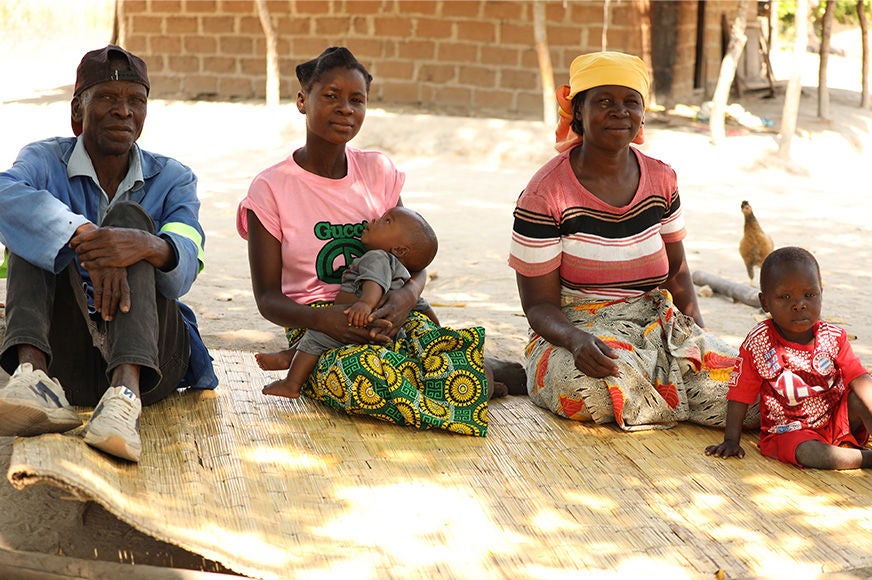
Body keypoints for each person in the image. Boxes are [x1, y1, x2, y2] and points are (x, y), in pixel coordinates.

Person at [237, 47, 523, 438]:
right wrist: (324, 320)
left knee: (419, 348)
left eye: (357, 100)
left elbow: (413, 253)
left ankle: (464, 373)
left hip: (391, 306)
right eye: (331, 96)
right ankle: (476, 376)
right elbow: (268, 299)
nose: (345, 109)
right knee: (364, 378)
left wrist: (406, 297)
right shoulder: (270, 188)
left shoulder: (377, 170)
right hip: (314, 324)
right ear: (302, 101)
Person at [509, 51, 757, 431]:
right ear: (578, 112)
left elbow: (677, 273)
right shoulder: (545, 195)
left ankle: (665, 393)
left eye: (630, 102)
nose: (619, 112)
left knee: (752, 394)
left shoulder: (661, 180)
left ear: (642, 114)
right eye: (603, 101)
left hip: (657, 326)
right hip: (578, 330)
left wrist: (699, 341)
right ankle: (672, 394)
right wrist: (575, 341)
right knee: (587, 392)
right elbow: (538, 305)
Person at [0, 45, 217, 462]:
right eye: (108, 99)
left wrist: (145, 244)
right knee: (32, 220)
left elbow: (185, 264)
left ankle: (123, 399)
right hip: (65, 358)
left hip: (155, 361)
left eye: (136, 101)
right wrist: (80, 233)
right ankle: (33, 380)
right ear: (77, 112)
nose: (124, 112)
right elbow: (5, 195)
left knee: (130, 218)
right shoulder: (43, 160)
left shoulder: (173, 178)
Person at [706, 247, 872, 469]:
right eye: (785, 297)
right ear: (765, 303)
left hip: (836, 418)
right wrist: (731, 440)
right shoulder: (759, 342)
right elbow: (740, 393)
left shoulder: (833, 337)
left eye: (809, 295)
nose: (799, 305)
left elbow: (859, 379)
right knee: (807, 453)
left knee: (862, 395)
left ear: (821, 293)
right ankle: (866, 459)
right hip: (789, 431)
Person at [258, 205, 440, 399]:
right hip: (386, 331)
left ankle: (291, 383)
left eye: (387, 221)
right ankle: (290, 355)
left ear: (399, 249)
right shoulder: (401, 276)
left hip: (357, 321)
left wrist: (365, 304)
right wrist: (437, 328)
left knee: (316, 336)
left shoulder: (375, 257)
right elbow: (422, 304)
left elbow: (374, 281)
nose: (375, 220)